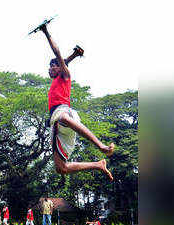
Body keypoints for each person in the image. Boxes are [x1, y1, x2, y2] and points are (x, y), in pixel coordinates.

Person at [38, 23, 115, 180]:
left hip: (64, 113)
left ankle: (101, 146)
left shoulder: (64, 76)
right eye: (49, 67)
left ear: (60, 68)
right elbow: (63, 60)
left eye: (52, 66)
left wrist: (46, 32)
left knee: (63, 118)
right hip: (56, 124)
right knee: (61, 168)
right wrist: (74, 55)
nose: (49, 69)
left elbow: (58, 54)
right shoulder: (55, 81)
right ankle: (98, 165)